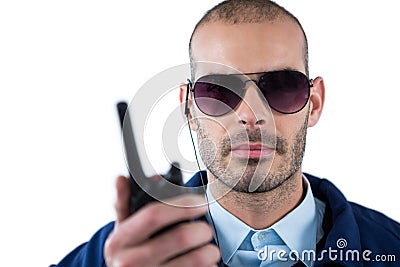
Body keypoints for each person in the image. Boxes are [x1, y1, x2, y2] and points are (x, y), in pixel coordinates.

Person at [52, 0, 400, 266]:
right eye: (219, 92)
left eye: (281, 87)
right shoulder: (113, 258)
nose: (251, 116)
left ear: (316, 103)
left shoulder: (392, 249)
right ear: (188, 107)